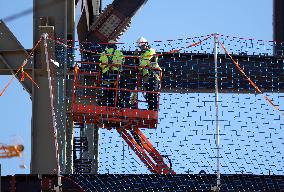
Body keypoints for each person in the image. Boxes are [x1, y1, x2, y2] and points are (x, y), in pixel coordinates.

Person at [137, 37, 161, 111]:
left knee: (152, 93)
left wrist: (139, 64)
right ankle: (151, 108)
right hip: (147, 76)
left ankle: (153, 109)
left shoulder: (150, 51)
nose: (141, 48)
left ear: (146, 44)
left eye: (142, 46)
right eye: (140, 47)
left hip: (153, 75)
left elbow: (143, 64)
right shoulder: (143, 54)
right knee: (148, 94)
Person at [99, 40, 124, 107]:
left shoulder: (103, 53)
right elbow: (122, 62)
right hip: (115, 73)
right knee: (115, 89)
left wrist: (107, 66)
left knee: (107, 89)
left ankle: (107, 103)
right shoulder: (119, 53)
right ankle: (115, 103)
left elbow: (100, 65)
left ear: (108, 45)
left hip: (106, 73)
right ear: (115, 45)